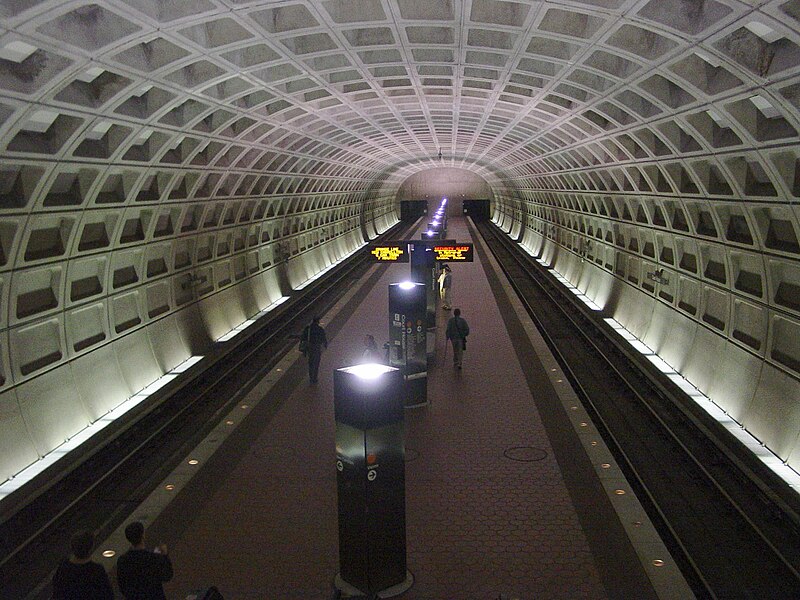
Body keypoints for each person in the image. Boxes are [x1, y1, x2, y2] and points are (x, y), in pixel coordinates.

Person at [116, 521, 173, 600]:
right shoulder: (153, 558)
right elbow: (167, 575)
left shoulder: (122, 560)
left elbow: (122, 587)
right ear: (143, 535)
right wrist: (165, 556)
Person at [52, 530, 114, 600]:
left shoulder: (63, 567)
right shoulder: (96, 570)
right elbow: (107, 595)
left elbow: (57, 592)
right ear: (90, 548)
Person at [301, 316, 328, 384]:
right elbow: (323, 338)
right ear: (318, 322)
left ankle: (311, 378)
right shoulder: (320, 329)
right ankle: (314, 378)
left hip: (310, 347)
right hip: (317, 347)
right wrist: (325, 345)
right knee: (316, 363)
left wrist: (304, 350)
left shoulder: (308, 329)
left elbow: (303, 338)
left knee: (311, 362)